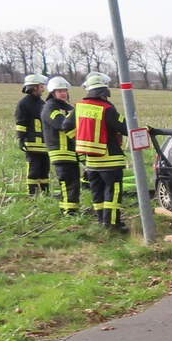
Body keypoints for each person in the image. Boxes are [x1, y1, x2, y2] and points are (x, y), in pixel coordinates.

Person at [64, 73, 129, 233]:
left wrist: (79, 140)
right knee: (113, 194)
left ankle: (102, 222)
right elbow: (125, 128)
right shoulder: (106, 109)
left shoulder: (78, 107)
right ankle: (112, 225)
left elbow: (66, 126)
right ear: (104, 92)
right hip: (110, 160)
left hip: (91, 162)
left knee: (97, 193)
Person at [40, 76, 80, 216]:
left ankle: (72, 210)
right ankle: (68, 212)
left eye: (64, 90)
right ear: (52, 93)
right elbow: (62, 125)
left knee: (74, 183)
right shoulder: (49, 108)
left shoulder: (67, 107)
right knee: (67, 183)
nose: (63, 93)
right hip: (60, 152)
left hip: (71, 152)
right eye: (59, 91)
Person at [15, 74, 49, 195]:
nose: (43, 89)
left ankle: (45, 192)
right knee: (33, 169)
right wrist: (21, 139)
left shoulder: (42, 103)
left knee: (45, 169)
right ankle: (32, 193)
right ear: (34, 87)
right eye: (41, 86)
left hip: (44, 144)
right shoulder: (24, 103)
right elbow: (21, 122)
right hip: (31, 144)